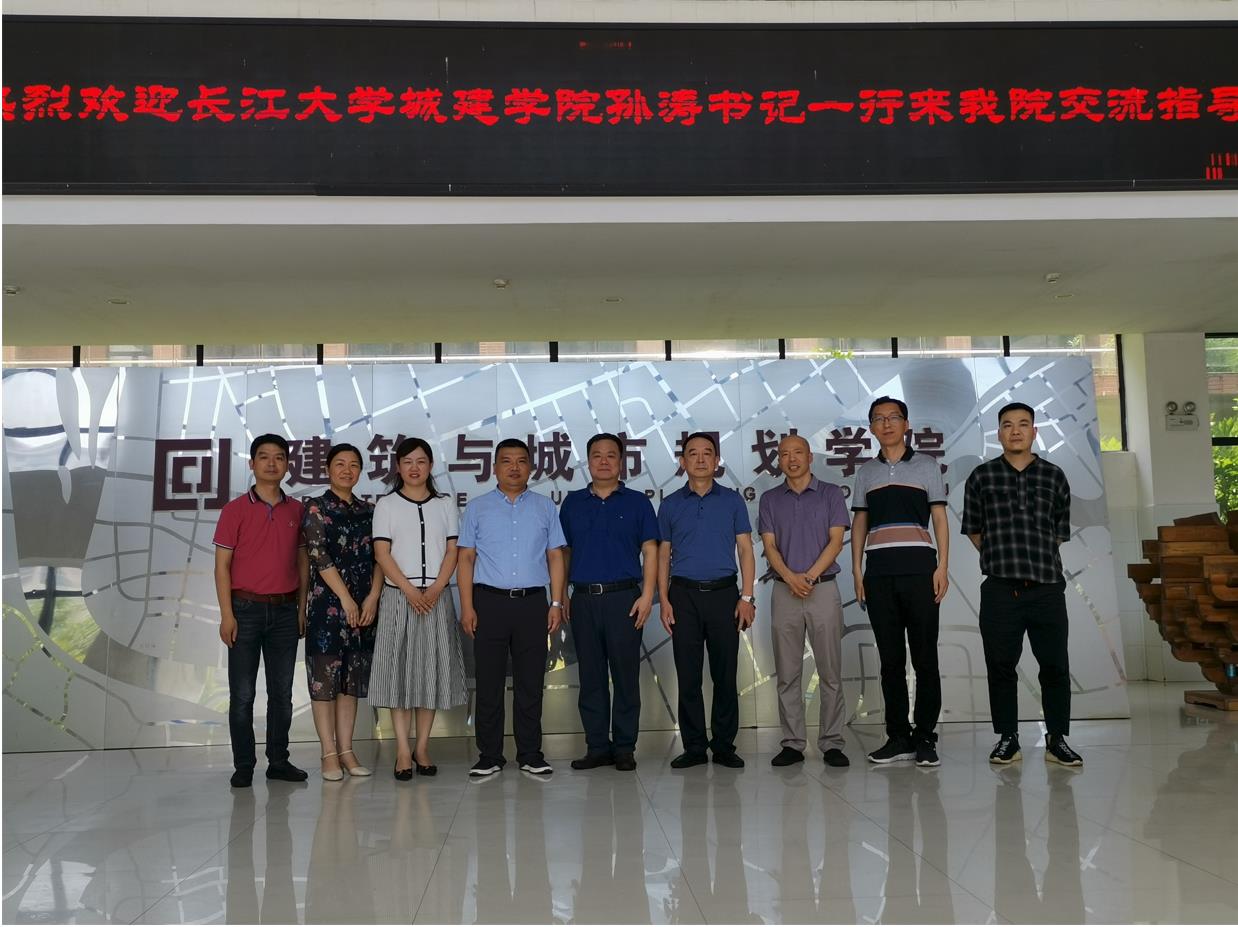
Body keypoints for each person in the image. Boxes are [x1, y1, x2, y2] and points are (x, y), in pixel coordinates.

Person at [962, 401, 1083, 768]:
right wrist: (1004, 558)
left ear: (1034, 431)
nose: (1015, 431)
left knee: (1055, 666)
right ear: (998, 433)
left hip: (1047, 587)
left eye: (1023, 424)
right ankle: (1007, 738)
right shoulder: (982, 477)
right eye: (1007, 424)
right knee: (1001, 666)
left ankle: (1057, 739)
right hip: (1000, 589)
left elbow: (1058, 531)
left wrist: (1031, 557)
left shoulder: (1054, 476)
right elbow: (975, 530)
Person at [457, 438, 567, 778]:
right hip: (488, 602)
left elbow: (555, 556)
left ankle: (530, 753)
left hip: (533, 603)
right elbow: (466, 558)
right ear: (495, 468)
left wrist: (556, 602)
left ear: (530, 467)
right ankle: (489, 755)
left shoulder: (545, 507)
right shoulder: (477, 508)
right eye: (507, 461)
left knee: (530, 682)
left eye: (521, 461)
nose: (514, 467)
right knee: (488, 682)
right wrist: (467, 606)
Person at [851, 396, 950, 768]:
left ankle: (925, 736)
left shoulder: (927, 466)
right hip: (879, 575)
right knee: (890, 661)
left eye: (894, 417)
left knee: (925, 658)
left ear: (906, 424)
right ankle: (898, 737)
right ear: (872, 428)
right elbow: (860, 523)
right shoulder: (866, 473)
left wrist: (942, 567)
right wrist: (857, 571)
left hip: (921, 571)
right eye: (879, 418)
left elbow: (939, 518)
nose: (887, 423)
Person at [559, 433, 660, 772]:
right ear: (588, 461)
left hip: (625, 599)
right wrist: (561, 596)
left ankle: (625, 747)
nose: (604, 461)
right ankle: (597, 746)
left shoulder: (637, 503)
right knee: (591, 677)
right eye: (597, 455)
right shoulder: (572, 503)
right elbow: (564, 553)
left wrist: (646, 596)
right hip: (584, 599)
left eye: (611, 455)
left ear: (621, 462)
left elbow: (650, 551)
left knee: (626, 676)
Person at [214, 433, 310, 788]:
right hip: (245, 610)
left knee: (282, 694)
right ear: (252, 464)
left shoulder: (297, 510)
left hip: (285, 611)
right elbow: (221, 567)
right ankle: (243, 765)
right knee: (242, 695)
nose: (272, 463)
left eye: (279, 457)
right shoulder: (235, 510)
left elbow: (303, 562)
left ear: (288, 465)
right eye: (265, 457)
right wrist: (227, 615)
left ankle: (278, 761)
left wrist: (301, 607)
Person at [370, 437, 468, 779]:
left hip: (436, 598)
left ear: (430, 466)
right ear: (398, 467)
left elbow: (453, 550)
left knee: (429, 672)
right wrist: (409, 590)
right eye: (407, 461)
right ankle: (402, 750)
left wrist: (438, 587)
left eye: (421, 461)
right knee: (399, 674)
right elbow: (382, 554)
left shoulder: (445, 504)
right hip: (400, 597)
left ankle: (422, 747)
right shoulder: (386, 505)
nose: (414, 468)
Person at [658, 432, 756, 769]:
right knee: (688, 676)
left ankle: (724, 746)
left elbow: (745, 550)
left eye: (707, 453)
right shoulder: (670, 504)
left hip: (724, 594)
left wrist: (746, 596)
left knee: (725, 675)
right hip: (682, 596)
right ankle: (695, 747)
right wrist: (664, 599)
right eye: (693, 453)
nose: (700, 459)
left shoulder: (732, 501)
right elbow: (663, 555)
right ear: (682, 462)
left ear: (717, 461)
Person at [758, 434, 852, 768]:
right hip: (784, 590)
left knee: (830, 671)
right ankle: (793, 743)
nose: (791, 458)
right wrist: (790, 577)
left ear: (810, 457)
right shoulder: (770, 499)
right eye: (784, 454)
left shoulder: (830, 494)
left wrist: (808, 577)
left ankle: (832, 742)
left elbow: (836, 541)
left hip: (822, 588)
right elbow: (769, 546)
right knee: (788, 672)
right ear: (778, 460)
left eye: (798, 452)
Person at [301, 443, 383, 781]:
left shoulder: (371, 511)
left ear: (360, 471)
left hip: (363, 608)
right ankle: (328, 753)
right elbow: (318, 555)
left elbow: (381, 557)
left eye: (353, 465)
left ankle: (347, 750)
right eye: (340, 464)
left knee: (350, 680)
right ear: (328, 469)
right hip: (328, 607)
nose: (347, 470)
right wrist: (347, 599)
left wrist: (373, 597)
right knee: (324, 681)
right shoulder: (315, 508)